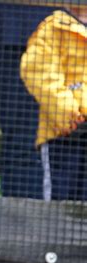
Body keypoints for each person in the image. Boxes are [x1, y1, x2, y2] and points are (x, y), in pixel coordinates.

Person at [0, 3, 55, 199]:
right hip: (7, 30)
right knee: (19, 143)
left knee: (56, 145)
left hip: (63, 32)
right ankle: (19, 223)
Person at [20, 6, 87, 201]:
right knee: (60, 201)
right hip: (63, 135)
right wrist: (70, 117)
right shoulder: (53, 27)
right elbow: (38, 73)